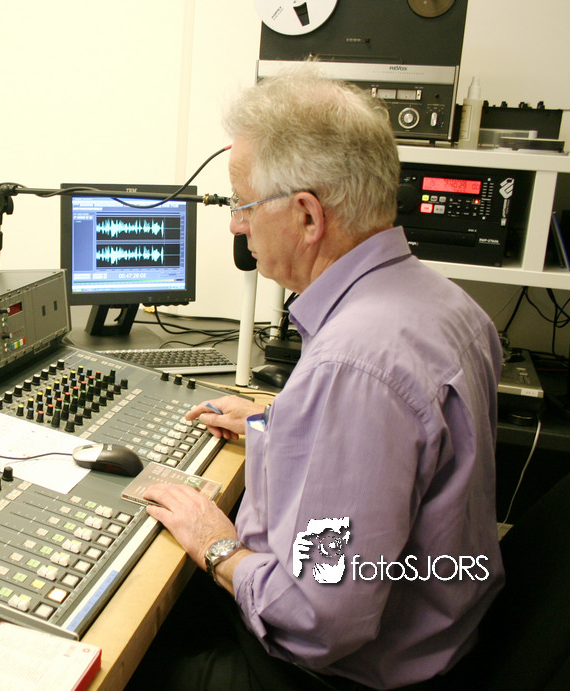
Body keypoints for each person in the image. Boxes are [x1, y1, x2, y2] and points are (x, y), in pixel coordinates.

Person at [129, 64, 505, 690]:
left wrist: (216, 543)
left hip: (332, 673)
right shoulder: (447, 305)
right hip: (436, 633)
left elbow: (316, 621)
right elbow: (393, 458)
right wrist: (275, 424)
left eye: (243, 204)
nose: (235, 224)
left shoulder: (354, 365)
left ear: (307, 216)